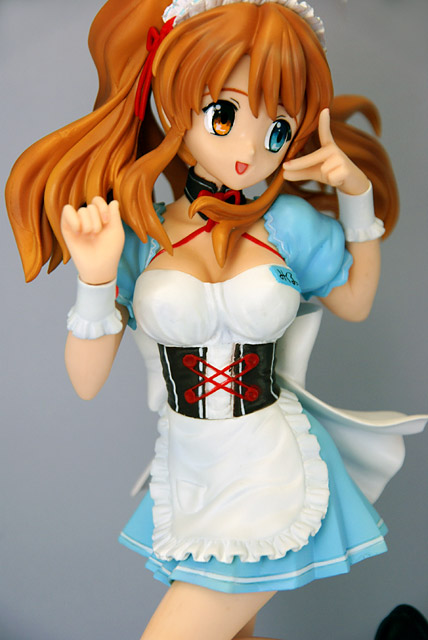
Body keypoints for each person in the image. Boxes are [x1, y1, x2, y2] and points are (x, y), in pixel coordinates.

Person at [5, 1, 426, 638]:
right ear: (173, 103)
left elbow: (355, 301)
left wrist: (356, 195)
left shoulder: (286, 226)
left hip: (270, 466)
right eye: (223, 115)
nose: (248, 150)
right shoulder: (139, 237)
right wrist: (94, 278)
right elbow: (86, 382)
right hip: (190, 470)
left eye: (276, 130)